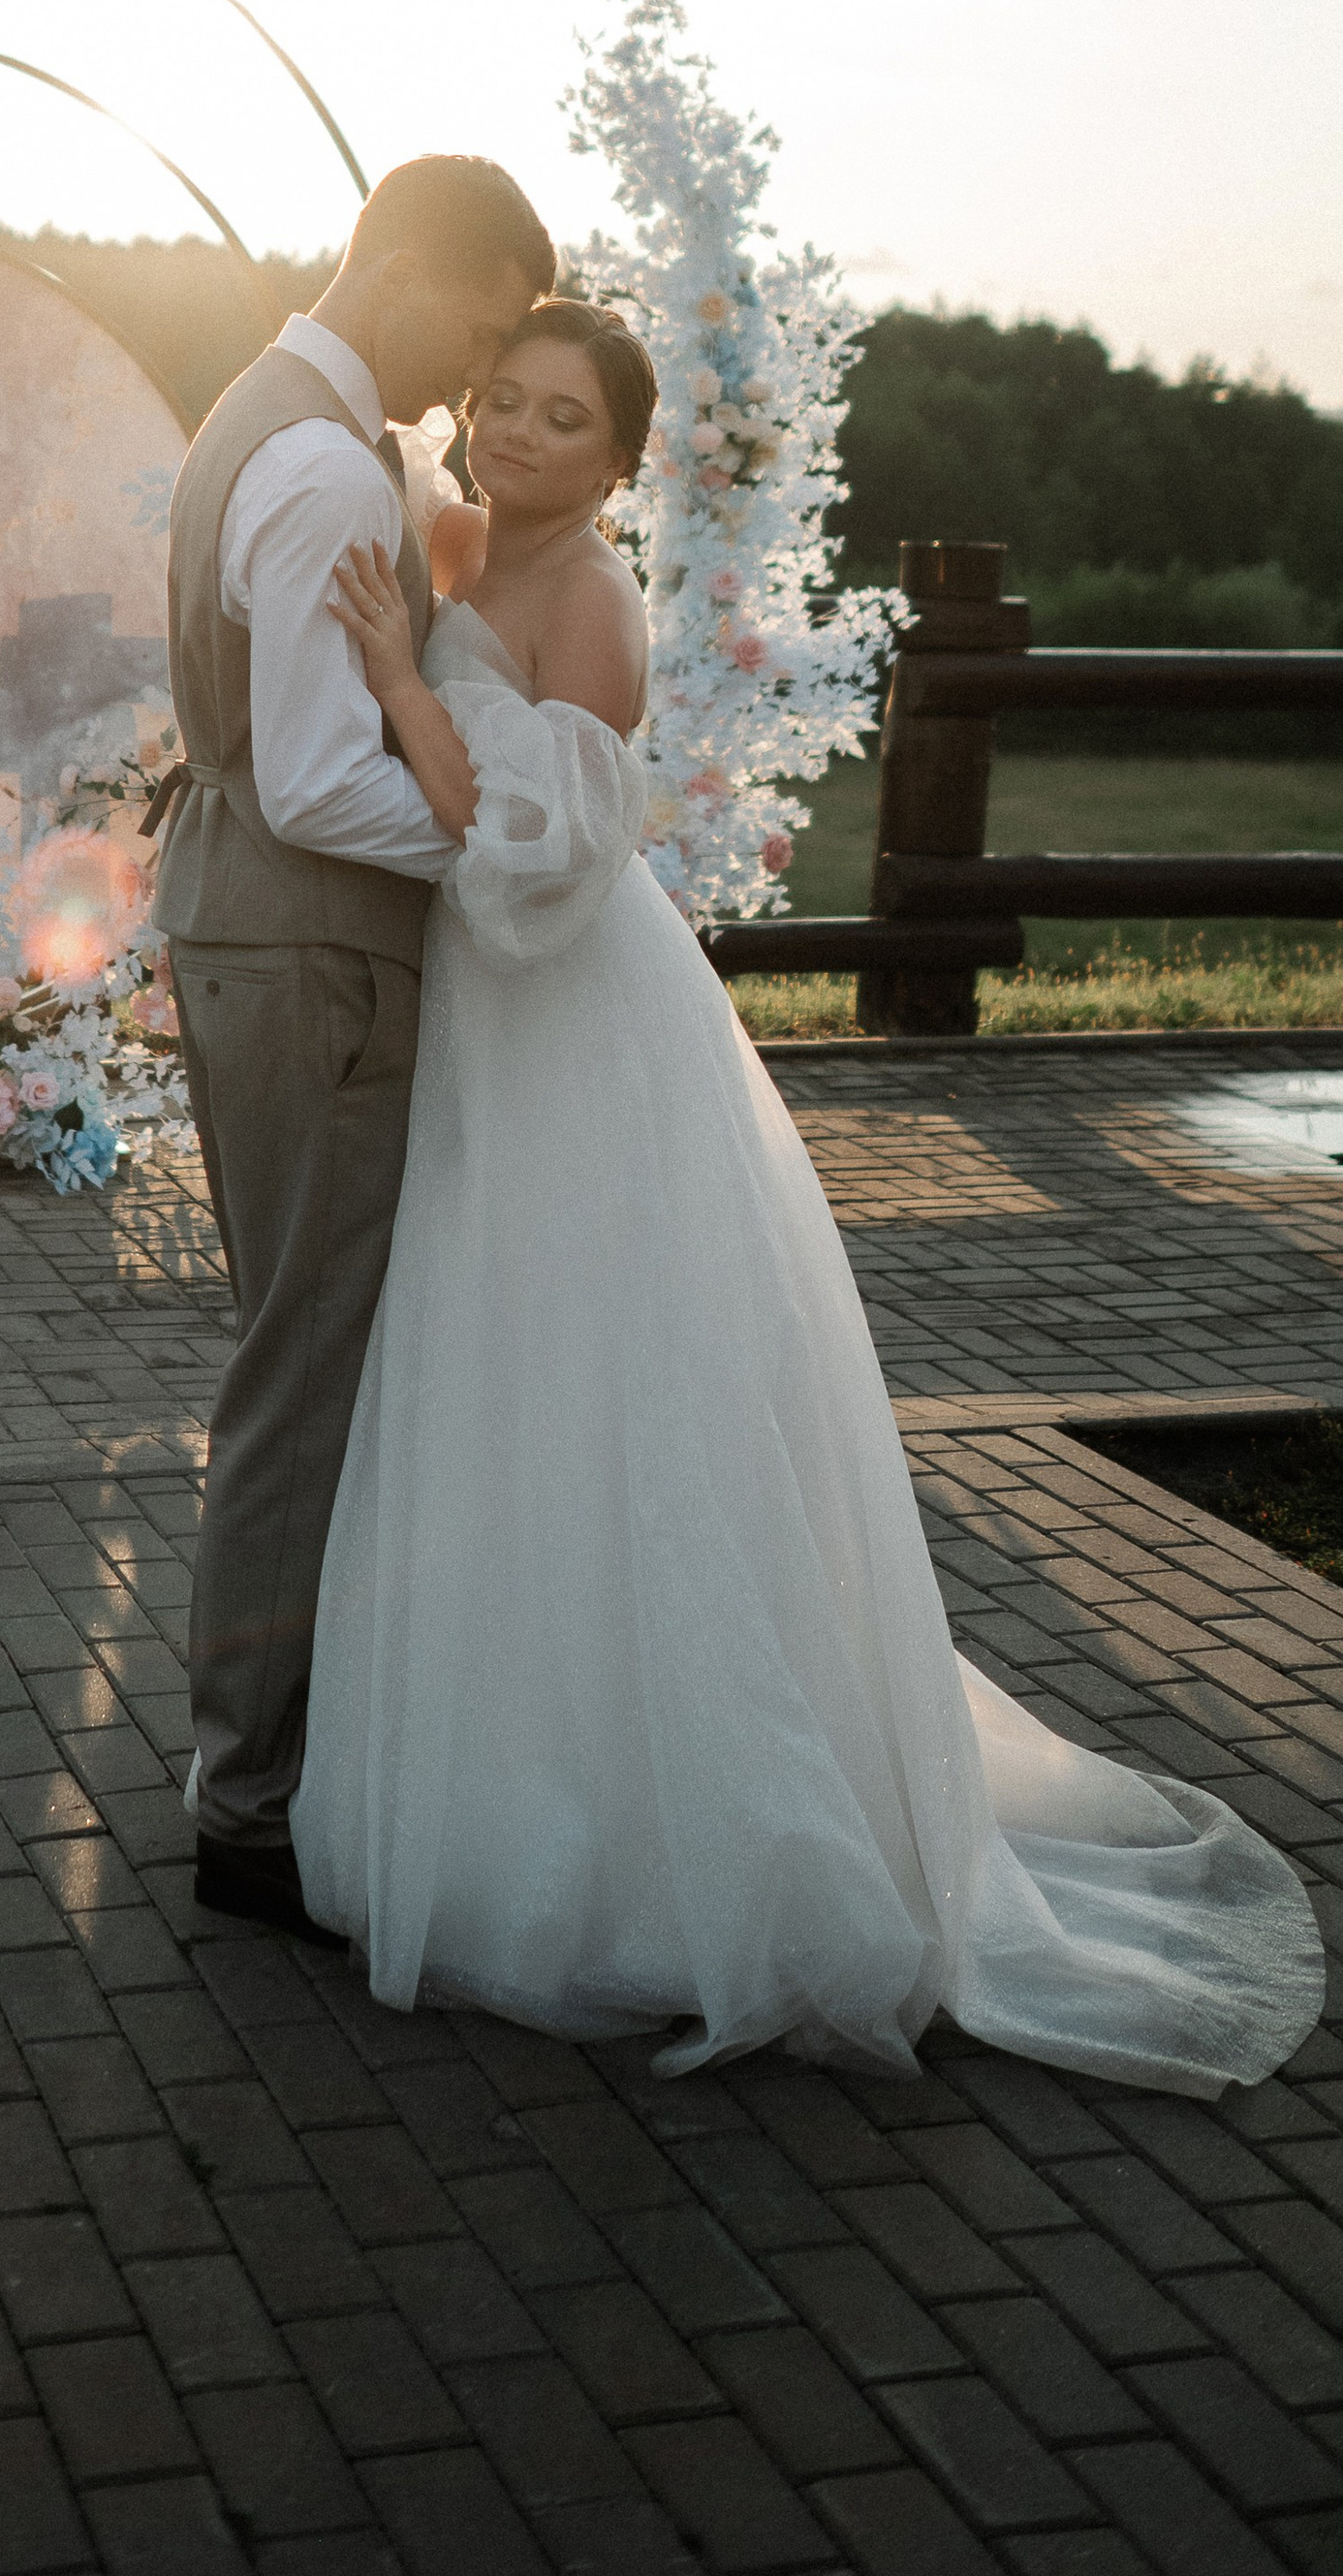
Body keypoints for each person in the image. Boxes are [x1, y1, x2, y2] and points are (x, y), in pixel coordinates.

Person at [290, 297, 1326, 2089]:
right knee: (502, 1375)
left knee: (623, 1380)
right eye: (506, 403)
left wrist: (395, 680)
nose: (527, 436)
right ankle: (525, 1775)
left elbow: (515, 857)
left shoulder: (592, 607)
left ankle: (698, 1837)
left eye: (568, 418)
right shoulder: (458, 535)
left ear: (622, 459)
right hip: (490, 1046)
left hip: (578, 1024)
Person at [151, 154, 556, 1941]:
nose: (474, 377)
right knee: (305, 1371)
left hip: (258, 928)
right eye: (476, 325)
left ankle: (276, 1762)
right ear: (398, 265)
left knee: (299, 1351)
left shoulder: (276, 423)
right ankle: (247, 1804)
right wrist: (497, 850)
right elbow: (321, 780)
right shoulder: (318, 465)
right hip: (311, 949)